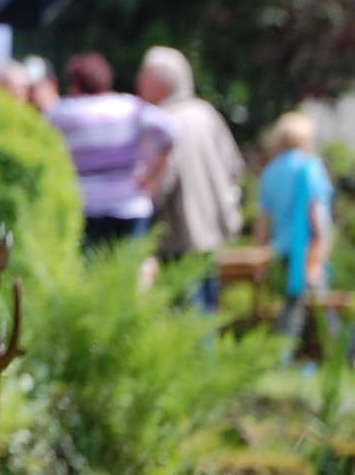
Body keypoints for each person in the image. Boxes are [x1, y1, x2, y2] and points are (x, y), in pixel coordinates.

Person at [137, 46, 244, 310]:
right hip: (211, 235)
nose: (138, 81)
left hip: (178, 237)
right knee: (206, 313)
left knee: (186, 324)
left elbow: (160, 184)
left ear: (159, 82)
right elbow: (235, 168)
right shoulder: (206, 113)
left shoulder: (164, 122)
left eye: (143, 75)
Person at [43, 52, 174, 248]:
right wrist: (153, 175)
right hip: (130, 203)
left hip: (85, 206)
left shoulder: (61, 113)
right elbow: (170, 131)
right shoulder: (130, 107)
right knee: (127, 272)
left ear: (75, 83)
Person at [255, 111, 337, 358]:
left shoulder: (271, 171)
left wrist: (260, 253)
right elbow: (316, 214)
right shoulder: (309, 166)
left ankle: (293, 354)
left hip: (280, 247)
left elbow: (262, 219)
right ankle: (329, 354)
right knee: (313, 306)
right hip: (307, 247)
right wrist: (322, 249)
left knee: (301, 302)